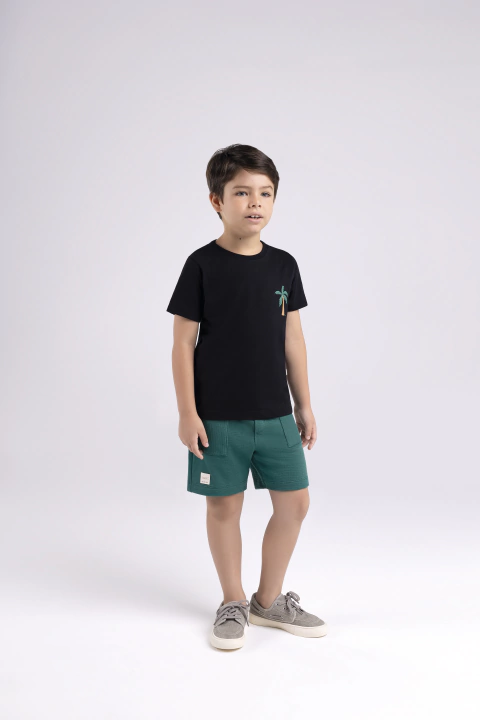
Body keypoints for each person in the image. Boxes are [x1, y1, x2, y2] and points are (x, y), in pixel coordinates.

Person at [166, 144, 327, 650]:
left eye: (265, 193)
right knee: (223, 509)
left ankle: (268, 601)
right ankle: (232, 601)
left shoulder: (284, 265)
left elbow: (293, 338)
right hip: (217, 419)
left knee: (295, 504)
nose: (255, 202)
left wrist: (303, 404)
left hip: (275, 414)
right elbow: (182, 343)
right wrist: (187, 412)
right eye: (241, 193)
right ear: (217, 201)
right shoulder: (201, 265)